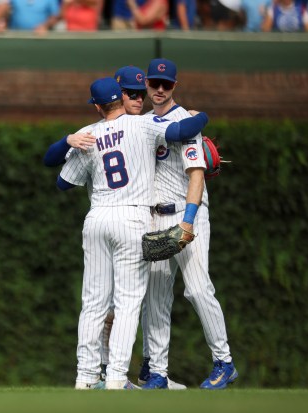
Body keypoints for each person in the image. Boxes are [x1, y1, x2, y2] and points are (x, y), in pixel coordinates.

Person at [55, 77, 209, 390]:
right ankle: (114, 379)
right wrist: (201, 117)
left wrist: (70, 142)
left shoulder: (90, 134)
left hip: (97, 217)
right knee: (127, 303)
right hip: (131, 217)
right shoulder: (143, 125)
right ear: (122, 100)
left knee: (94, 302)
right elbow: (182, 131)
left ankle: (85, 377)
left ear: (98, 106)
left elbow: (61, 183)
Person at [139, 58, 238, 390]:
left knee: (197, 289)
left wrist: (189, 221)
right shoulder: (142, 123)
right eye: (155, 83)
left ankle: (224, 362)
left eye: (166, 84)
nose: (160, 89)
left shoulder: (187, 122)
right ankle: (157, 373)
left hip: (187, 211)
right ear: (148, 85)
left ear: (175, 87)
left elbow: (196, 175)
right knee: (156, 297)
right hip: (155, 215)